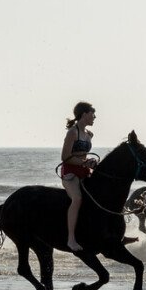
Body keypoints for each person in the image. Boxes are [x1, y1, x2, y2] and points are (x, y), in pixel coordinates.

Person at [60, 101, 98, 252]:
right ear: (84, 114)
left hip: (84, 170)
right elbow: (65, 157)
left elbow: (84, 156)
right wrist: (85, 162)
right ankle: (71, 239)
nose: (94, 117)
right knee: (77, 198)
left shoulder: (89, 134)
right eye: (92, 114)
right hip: (70, 171)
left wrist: (90, 162)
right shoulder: (72, 132)